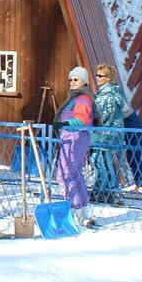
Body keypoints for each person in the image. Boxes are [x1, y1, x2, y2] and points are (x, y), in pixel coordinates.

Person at [52, 67, 94, 221]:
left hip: (74, 138)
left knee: (65, 174)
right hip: (73, 138)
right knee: (75, 173)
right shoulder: (77, 98)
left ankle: (74, 208)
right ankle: (82, 209)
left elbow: (81, 119)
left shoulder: (82, 99)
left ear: (84, 81)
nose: (72, 82)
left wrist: (64, 124)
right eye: (70, 79)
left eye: (76, 79)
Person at [89, 64, 126, 202]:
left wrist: (89, 123)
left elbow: (104, 116)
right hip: (106, 135)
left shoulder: (108, 95)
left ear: (108, 78)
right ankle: (102, 190)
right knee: (101, 162)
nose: (97, 78)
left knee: (102, 162)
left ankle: (108, 191)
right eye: (96, 75)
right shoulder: (106, 93)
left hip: (105, 135)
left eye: (100, 76)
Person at [122, 103, 142, 190]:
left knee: (134, 156)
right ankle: (140, 183)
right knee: (132, 156)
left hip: (132, 126)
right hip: (130, 125)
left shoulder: (115, 96)